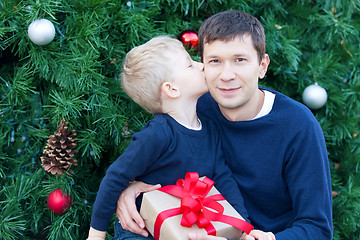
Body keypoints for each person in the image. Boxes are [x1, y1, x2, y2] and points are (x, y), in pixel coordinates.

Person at [115, 10, 333, 240]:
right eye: (215, 61)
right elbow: (151, 155)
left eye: (240, 60)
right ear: (203, 65)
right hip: (193, 230)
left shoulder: (297, 126)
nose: (226, 75)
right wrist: (131, 187)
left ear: (262, 65)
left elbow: (317, 227)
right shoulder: (192, 106)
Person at [87, 36, 274, 240]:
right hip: (143, 230)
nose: (202, 66)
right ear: (172, 89)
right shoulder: (158, 133)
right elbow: (116, 176)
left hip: (188, 228)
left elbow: (223, 179)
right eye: (189, 65)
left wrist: (244, 229)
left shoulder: (210, 129)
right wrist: (96, 235)